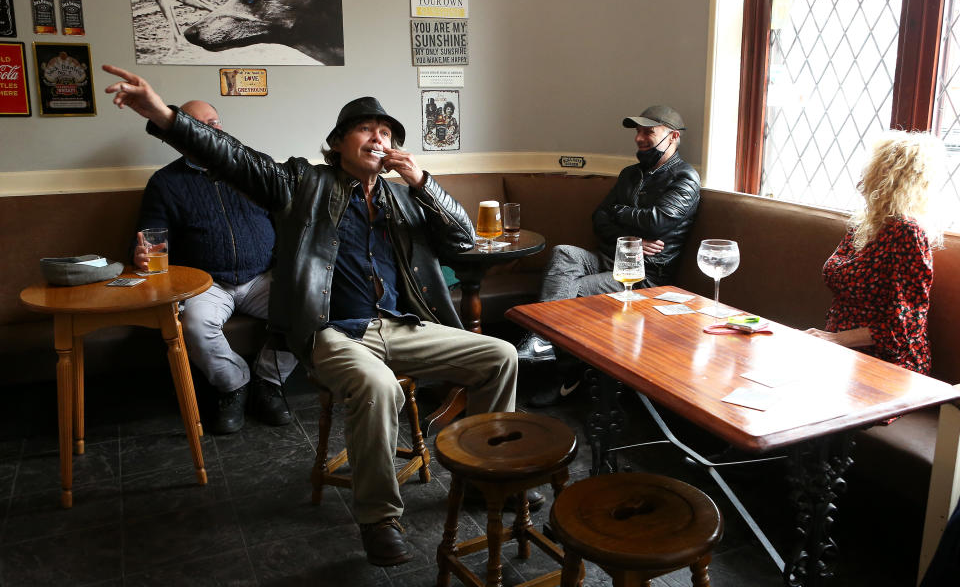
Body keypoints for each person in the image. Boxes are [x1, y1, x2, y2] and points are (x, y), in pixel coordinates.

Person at [103, 64, 519, 568]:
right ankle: (380, 518)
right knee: (381, 387)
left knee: (501, 354)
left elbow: (463, 241)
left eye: (386, 132)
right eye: (367, 128)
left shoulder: (403, 198)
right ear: (339, 141)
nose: (379, 137)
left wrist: (422, 180)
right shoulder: (304, 184)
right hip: (334, 333)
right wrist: (166, 116)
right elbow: (236, 159)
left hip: (401, 325)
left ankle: (486, 481)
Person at [516, 105, 701, 405]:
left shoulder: (685, 178)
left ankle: (565, 371)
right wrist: (630, 239)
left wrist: (620, 213)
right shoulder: (630, 174)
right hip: (610, 255)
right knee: (564, 253)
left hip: (644, 273)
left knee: (572, 292)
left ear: (673, 137)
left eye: (648, 132)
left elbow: (659, 220)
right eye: (638, 132)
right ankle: (543, 341)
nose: (639, 138)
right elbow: (599, 218)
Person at [135, 100, 298, 435]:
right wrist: (140, 255)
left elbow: (287, 223)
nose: (214, 130)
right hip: (205, 283)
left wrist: (288, 265)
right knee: (193, 324)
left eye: (216, 122)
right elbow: (149, 238)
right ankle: (234, 385)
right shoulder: (165, 183)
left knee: (306, 309)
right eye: (201, 124)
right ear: (185, 134)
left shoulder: (255, 171)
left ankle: (269, 382)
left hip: (262, 276)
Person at [805, 131, 945, 376]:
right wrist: (830, 341)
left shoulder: (907, 233)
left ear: (890, 180)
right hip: (843, 352)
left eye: (869, 174)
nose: (861, 183)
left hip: (890, 364)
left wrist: (835, 340)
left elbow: (905, 327)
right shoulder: (864, 225)